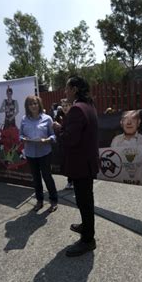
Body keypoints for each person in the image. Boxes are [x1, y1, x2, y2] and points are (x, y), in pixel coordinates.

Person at [53, 75, 98, 257]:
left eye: (66, 88)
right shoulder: (88, 106)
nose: (65, 92)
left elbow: (69, 139)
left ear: (74, 89)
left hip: (80, 164)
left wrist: (58, 128)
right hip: (86, 163)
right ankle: (86, 228)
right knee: (85, 200)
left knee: (84, 201)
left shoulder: (77, 109)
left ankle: (88, 240)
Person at [20, 96, 58, 213]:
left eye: (35, 103)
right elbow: (20, 135)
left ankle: (53, 201)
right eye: (31, 104)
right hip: (31, 153)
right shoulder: (24, 119)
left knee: (47, 177)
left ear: (39, 104)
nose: (33, 106)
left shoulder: (47, 118)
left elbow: (54, 135)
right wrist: (23, 138)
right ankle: (39, 201)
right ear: (27, 106)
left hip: (44, 152)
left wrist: (48, 140)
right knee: (36, 179)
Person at [110, 110, 142, 186]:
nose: (129, 123)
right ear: (121, 123)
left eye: (133, 119)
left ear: (139, 122)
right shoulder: (116, 140)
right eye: (125, 119)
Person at [55, 99, 73, 190]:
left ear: (70, 106)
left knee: (72, 163)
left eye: (66, 105)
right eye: (63, 106)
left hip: (72, 145)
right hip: (63, 144)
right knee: (66, 163)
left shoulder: (73, 116)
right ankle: (70, 181)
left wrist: (60, 127)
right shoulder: (61, 116)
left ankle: (72, 181)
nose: (65, 108)